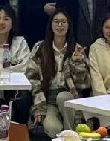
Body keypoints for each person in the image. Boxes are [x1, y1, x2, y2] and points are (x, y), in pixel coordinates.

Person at [25, 9, 90, 138]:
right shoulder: (40, 47)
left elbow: (83, 84)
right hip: (47, 99)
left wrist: (78, 64)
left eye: (63, 22)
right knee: (53, 128)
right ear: (51, 25)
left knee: (63, 97)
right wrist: (39, 106)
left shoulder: (77, 49)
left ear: (69, 25)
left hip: (70, 97)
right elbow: (32, 79)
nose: (60, 25)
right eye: (56, 21)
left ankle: (71, 136)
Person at [0, 5, 32, 69]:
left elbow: (25, 67)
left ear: (13, 23)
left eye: (6, 19)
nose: (1, 22)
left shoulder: (20, 43)